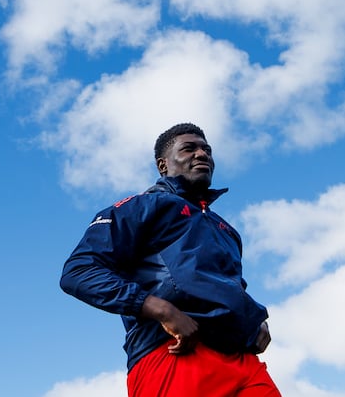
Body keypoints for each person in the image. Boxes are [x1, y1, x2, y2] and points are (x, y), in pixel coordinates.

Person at [59, 123, 280, 396]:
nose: (202, 154)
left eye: (207, 150)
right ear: (163, 165)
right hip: (174, 351)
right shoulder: (141, 206)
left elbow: (228, 288)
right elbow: (79, 272)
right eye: (189, 148)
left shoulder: (227, 231)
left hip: (243, 361)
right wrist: (161, 309)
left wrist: (253, 321)